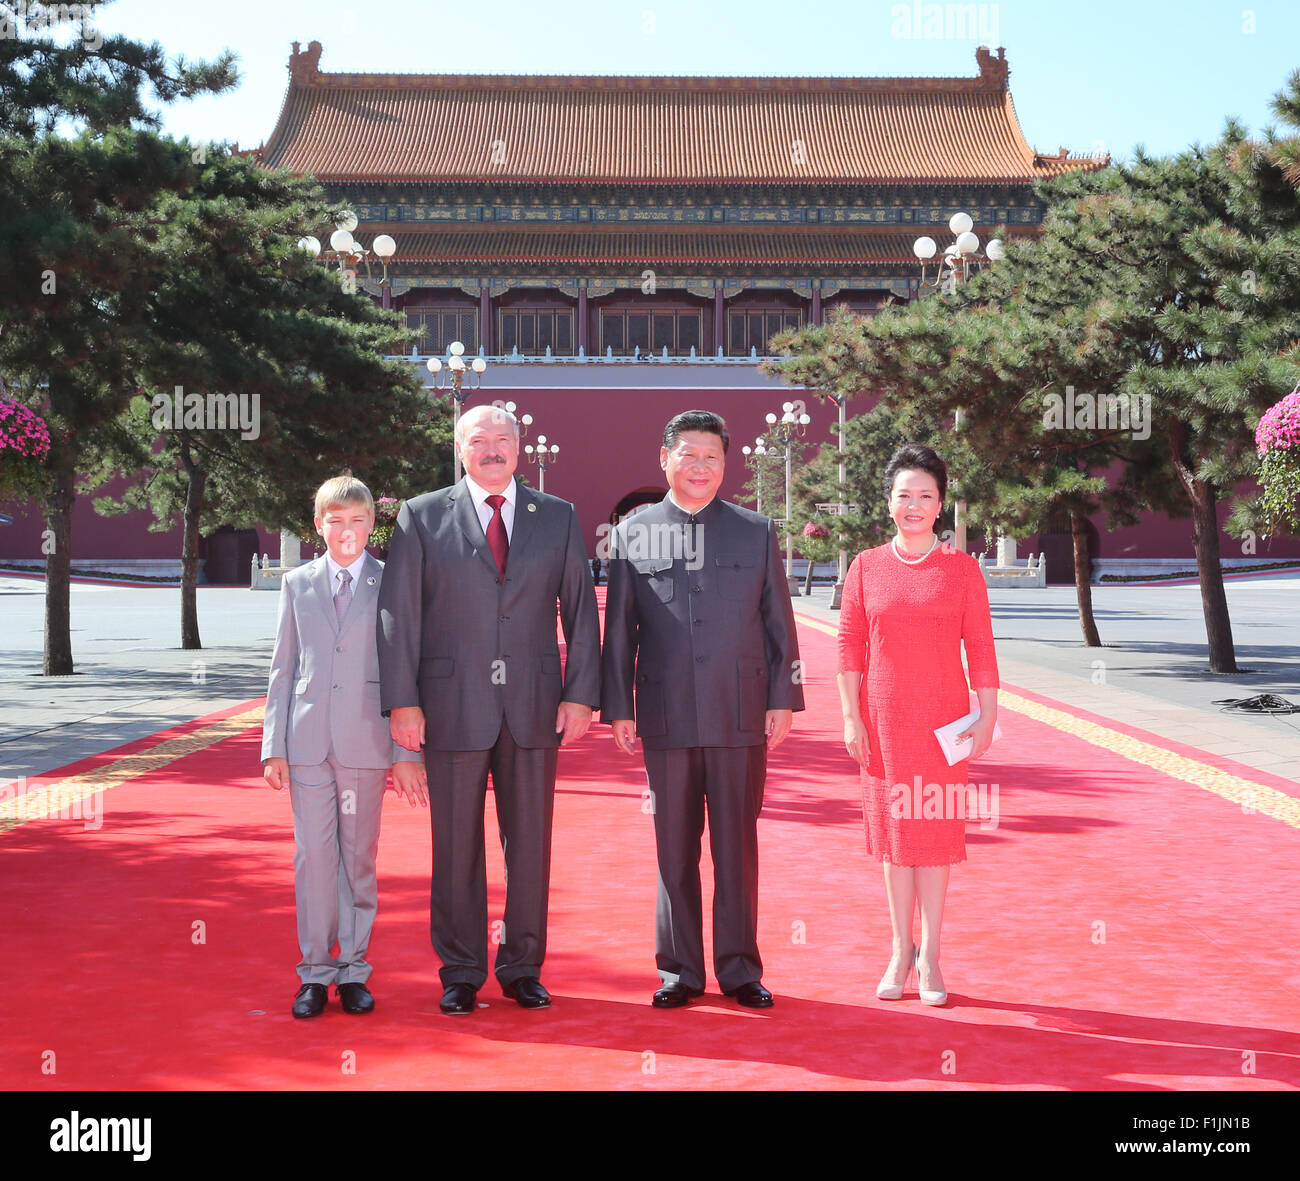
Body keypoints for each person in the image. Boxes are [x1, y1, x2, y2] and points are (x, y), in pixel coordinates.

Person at [377, 404, 600, 1015]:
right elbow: (399, 614)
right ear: (460, 447)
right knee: (455, 846)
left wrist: (581, 692)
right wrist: (403, 703)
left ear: (521, 447)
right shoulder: (421, 517)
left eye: (504, 439)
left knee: (529, 844)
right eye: (481, 440)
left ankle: (523, 966)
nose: (493, 450)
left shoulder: (556, 517)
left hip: (534, 706)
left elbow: (580, 609)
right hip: (450, 706)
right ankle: (461, 970)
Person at [602, 410, 804, 1009]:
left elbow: (779, 625)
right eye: (688, 455)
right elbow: (619, 631)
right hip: (666, 715)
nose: (699, 467)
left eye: (711, 457)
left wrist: (783, 699)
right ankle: (679, 971)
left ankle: (740, 968)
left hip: (739, 714)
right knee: (674, 847)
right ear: (664, 459)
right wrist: (618, 706)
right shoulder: (634, 533)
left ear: (726, 464)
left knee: (737, 846)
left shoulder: (754, 530)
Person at [835, 444, 999, 1007]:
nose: (913, 505)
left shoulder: (962, 569)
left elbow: (980, 647)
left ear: (941, 505)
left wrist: (988, 714)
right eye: (904, 495)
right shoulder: (866, 566)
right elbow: (849, 645)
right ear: (889, 502)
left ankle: (931, 953)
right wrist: (851, 717)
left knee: (933, 836)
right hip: (883, 721)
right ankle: (898, 950)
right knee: (896, 842)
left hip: (944, 722)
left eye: (925, 496)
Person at [262, 475, 429, 1020]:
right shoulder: (297, 583)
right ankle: (314, 973)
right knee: (313, 860)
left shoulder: (392, 581)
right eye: (336, 520)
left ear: (372, 525)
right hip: (307, 743)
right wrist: (273, 746)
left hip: (366, 742)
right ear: (318, 525)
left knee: (358, 860)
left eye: (358, 520)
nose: (347, 530)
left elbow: (409, 669)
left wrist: (407, 754)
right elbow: (283, 669)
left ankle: (354, 971)